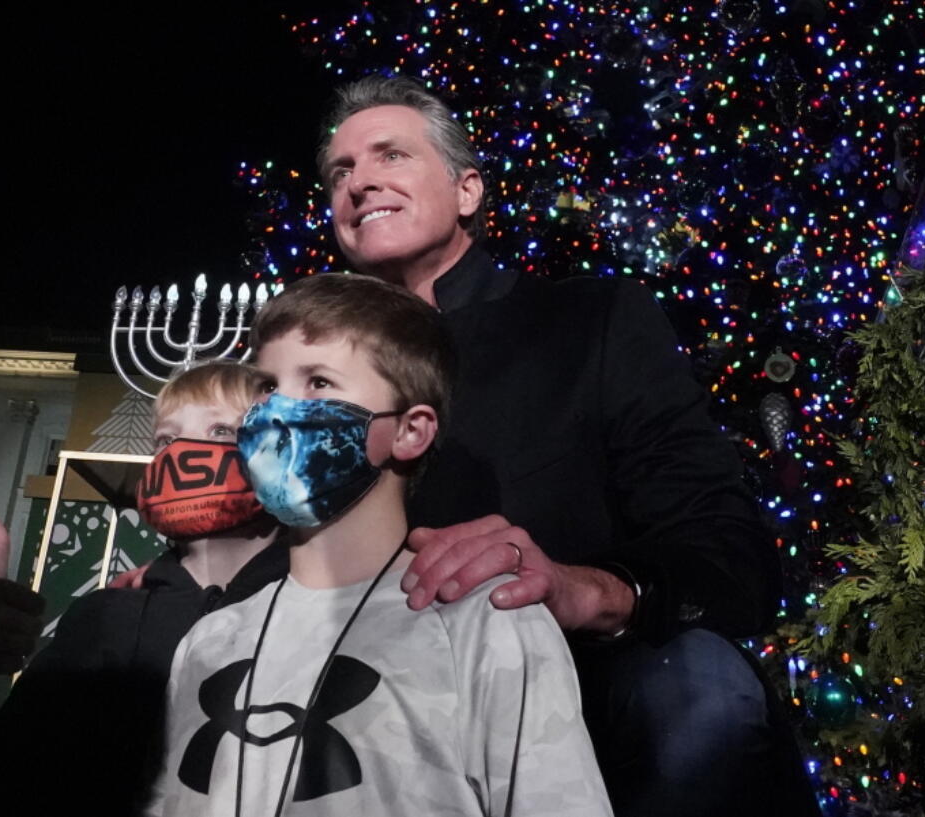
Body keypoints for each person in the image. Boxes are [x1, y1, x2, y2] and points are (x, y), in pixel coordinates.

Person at [315, 75, 814, 817]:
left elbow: (729, 554)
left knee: (703, 688)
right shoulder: (309, 377)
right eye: (341, 172)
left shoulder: (591, 321)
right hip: (376, 686)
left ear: (468, 192)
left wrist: (585, 589)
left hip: (584, 688)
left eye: (390, 156)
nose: (359, 183)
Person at [149, 273, 611, 816]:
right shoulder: (209, 641)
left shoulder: (486, 623)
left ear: (410, 431)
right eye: (268, 387)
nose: (277, 413)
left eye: (319, 382)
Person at [0, 360, 287, 817]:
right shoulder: (106, 622)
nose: (181, 454)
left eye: (220, 431)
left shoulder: (326, 613)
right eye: (166, 440)